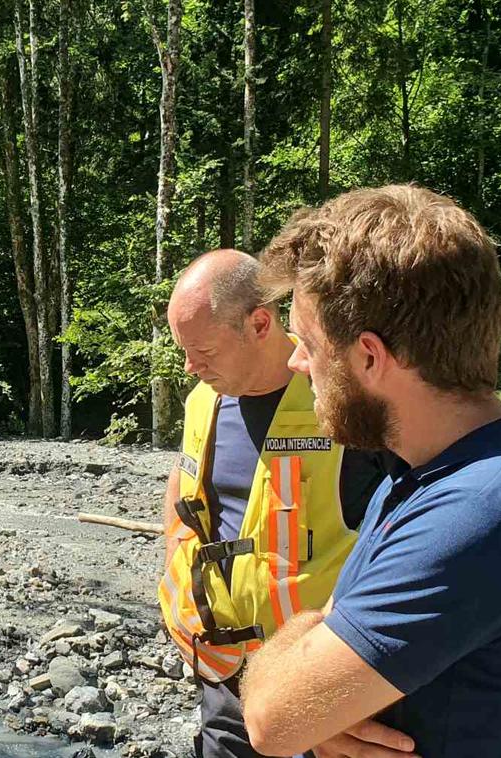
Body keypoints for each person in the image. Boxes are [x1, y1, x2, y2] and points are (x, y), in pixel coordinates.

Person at [240, 185, 501, 758]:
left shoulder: (482, 513)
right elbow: (308, 681)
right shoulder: (420, 476)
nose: (295, 361)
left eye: (308, 342)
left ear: (369, 357)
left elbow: (269, 719)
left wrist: (303, 682)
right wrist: (314, 693)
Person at [158, 249, 399, 758]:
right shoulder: (203, 399)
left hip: (324, 681)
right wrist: (174, 590)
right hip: (227, 676)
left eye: (203, 350)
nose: (189, 366)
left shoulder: (341, 400)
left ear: (260, 322)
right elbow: (183, 499)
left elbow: (408, 536)